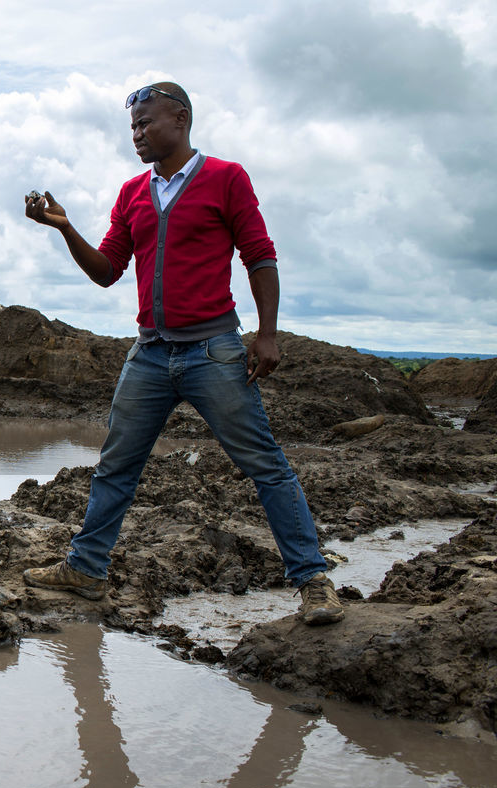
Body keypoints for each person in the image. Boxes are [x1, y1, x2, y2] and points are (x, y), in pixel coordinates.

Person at [23, 81, 344, 626]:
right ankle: (86, 570)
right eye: (132, 128)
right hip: (149, 354)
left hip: (214, 351)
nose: (137, 135)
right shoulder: (131, 192)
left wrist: (266, 334)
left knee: (265, 466)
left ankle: (313, 580)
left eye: (146, 123)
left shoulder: (226, 177)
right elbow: (107, 272)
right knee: (116, 466)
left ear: (181, 118)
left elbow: (259, 255)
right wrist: (64, 228)